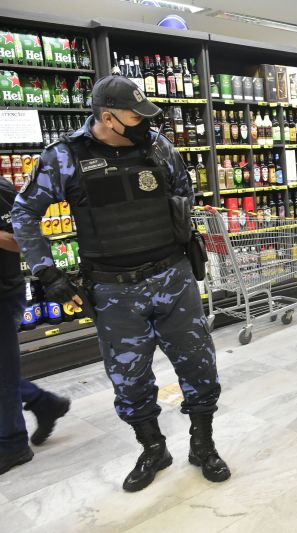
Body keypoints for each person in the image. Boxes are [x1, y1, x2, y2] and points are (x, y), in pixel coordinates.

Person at [12, 75, 229, 492]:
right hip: (113, 291)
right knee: (129, 380)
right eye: (135, 115)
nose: (144, 122)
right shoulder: (66, 157)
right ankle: (153, 449)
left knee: (200, 366)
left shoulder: (158, 145)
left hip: (173, 277)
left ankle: (203, 444)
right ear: (108, 117)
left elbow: (183, 191)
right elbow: (24, 214)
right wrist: (46, 271)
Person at [0, 177, 70, 476]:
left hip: (2, 293)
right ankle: (44, 402)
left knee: (3, 372)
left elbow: (21, 241)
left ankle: (13, 444)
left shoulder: (2, 190)